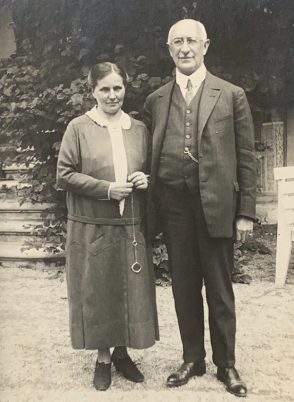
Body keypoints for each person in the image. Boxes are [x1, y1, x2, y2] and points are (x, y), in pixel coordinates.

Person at [144, 19, 256, 397]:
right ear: (169, 48)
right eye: (178, 41)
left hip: (217, 206)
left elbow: (246, 158)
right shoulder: (156, 100)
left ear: (206, 45)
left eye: (192, 40)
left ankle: (227, 365)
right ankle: (193, 358)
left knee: (220, 290)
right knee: (183, 286)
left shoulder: (231, 95)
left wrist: (246, 212)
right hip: (173, 206)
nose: (185, 47)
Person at [57, 62, 158, 391]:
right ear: (93, 92)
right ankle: (102, 358)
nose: (112, 95)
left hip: (129, 224)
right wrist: (106, 189)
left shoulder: (139, 129)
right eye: (105, 89)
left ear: (125, 89)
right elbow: (64, 175)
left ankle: (122, 353)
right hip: (92, 225)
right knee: (98, 291)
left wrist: (145, 179)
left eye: (117, 88)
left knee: (129, 289)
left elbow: (150, 170)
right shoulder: (78, 128)